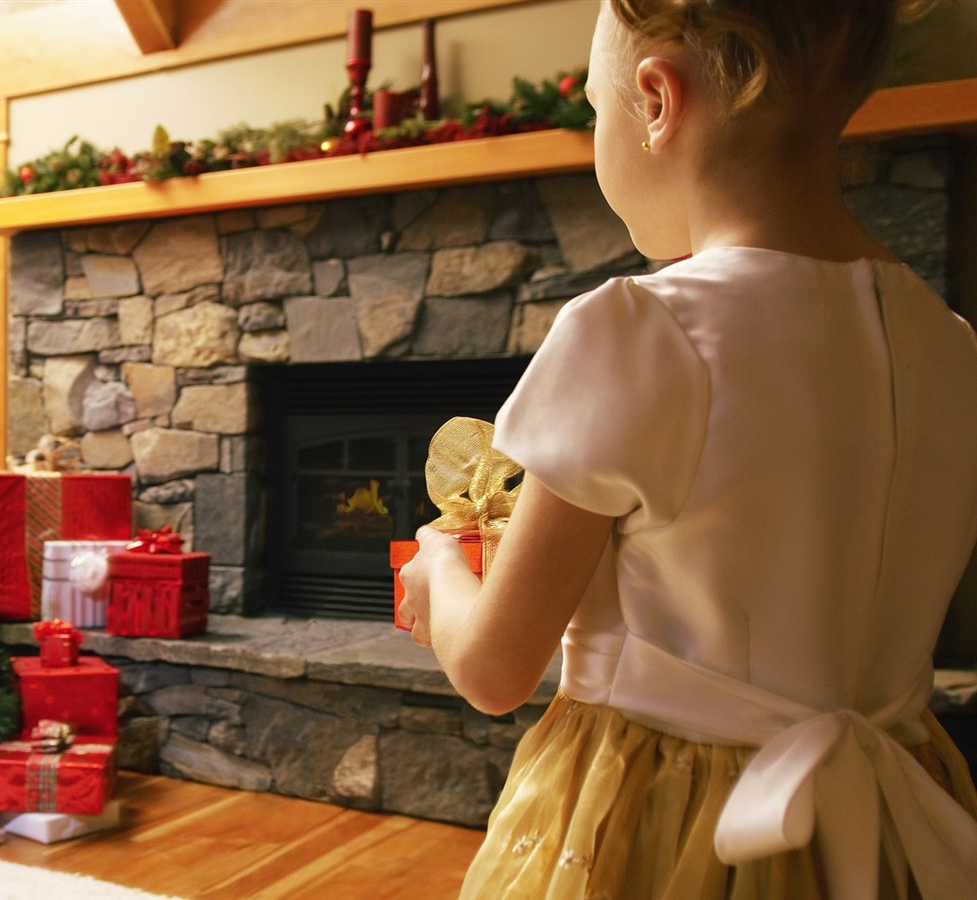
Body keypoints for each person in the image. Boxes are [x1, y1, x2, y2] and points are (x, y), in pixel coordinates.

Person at [397, 0, 977, 897]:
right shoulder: (952, 346)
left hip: (661, 820)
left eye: (596, 110)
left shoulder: (638, 329)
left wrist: (440, 569)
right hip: (890, 817)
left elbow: (495, 667)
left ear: (657, 101)